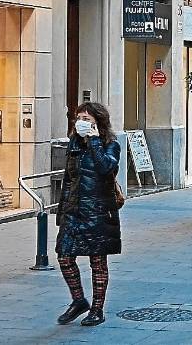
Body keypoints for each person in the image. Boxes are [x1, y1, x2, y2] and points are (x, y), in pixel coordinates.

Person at [55, 102, 122, 326]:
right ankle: (78, 300)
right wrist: (61, 211)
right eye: (79, 118)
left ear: (98, 122)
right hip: (73, 211)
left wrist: (93, 141)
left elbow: (105, 168)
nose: (81, 122)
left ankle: (97, 309)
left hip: (98, 211)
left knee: (98, 262)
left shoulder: (111, 145)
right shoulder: (74, 144)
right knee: (64, 256)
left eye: (86, 119)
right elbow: (69, 179)